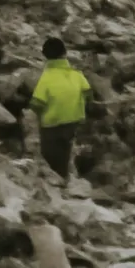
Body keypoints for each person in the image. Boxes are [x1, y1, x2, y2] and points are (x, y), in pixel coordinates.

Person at [28, 37, 93, 180]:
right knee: (66, 156)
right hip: (74, 124)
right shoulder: (77, 75)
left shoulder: (46, 78)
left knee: (52, 162)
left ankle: (58, 185)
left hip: (52, 127)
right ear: (65, 53)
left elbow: (36, 104)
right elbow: (89, 95)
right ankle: (68, 181)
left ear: (45, 56)